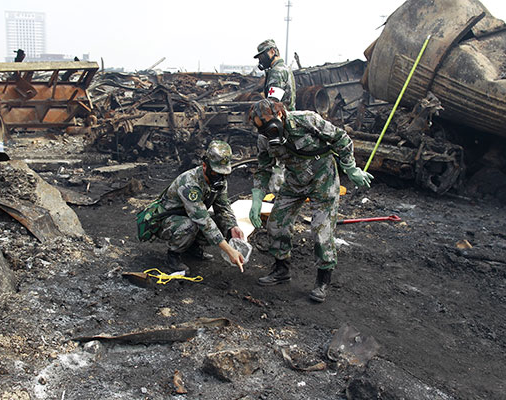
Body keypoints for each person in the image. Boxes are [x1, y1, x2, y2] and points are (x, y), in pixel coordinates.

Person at [248, 98, 373, 302]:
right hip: (294, 181)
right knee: (276, 224)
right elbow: (263, 168)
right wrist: (256, 198)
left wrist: (351, 167)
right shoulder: (264, 140)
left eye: (270, 127)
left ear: (280, 114)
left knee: (321, 231)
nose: (268, 134)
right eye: (262, 131)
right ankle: (281, 270)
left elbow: (340, 138)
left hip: (322, 178)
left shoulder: (307, 120)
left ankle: (322, 281)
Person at [153, 140, 245, 274]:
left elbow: (223, 207)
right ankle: (173, 256)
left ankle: (192, 247)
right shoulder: (189, 184)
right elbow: (202, 219)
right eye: (215, 172)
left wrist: (233, 226)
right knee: (190, 225)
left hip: (189, 216)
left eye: (223, 173)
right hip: (167, 221)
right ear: (204, 166)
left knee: (220, 222)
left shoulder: (219, 181)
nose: (220, 177)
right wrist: (229, 250)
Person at [254, 39, 297, 111]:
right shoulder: (285, 68)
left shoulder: (276, 71)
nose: (261, 61)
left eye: (262, 57)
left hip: (280, 118)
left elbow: (273, 103)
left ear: (272, 52)